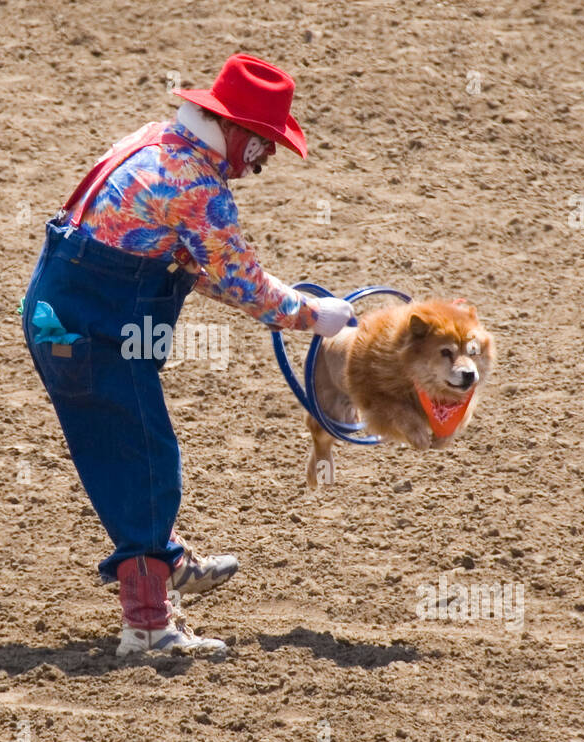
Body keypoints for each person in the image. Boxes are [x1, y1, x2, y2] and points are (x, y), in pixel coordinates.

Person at [21, 54, 354, 655]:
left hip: (66, 314)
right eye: (264, 142)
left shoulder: (155, 142)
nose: (268, 158)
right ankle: (148, 625)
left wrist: (289, 306)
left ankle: (164, 561)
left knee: (124, 447)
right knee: (143, 456)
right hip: (95, 328)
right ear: (234, 130)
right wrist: (311, 315)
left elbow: (191, 265)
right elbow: (245, 283)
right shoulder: (199, 187)